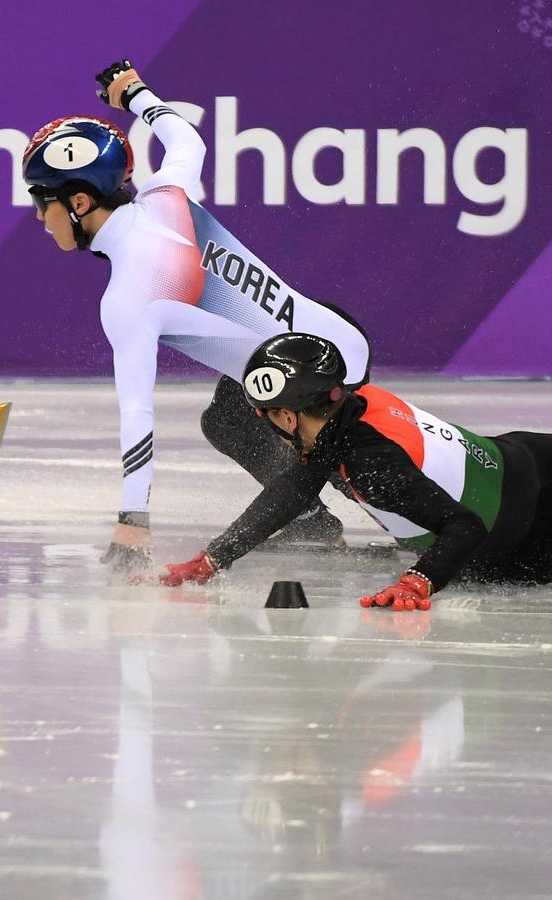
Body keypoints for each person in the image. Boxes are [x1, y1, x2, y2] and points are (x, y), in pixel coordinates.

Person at [23, 60, 371, 571]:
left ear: (79, 201)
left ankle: (395, 501)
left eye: (42, 202)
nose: (37, 216)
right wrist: (135, 93)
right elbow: (187, 141)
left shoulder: (129, 296)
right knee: (229, 417)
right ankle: (311, 519)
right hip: (332, 332)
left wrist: (133, 519)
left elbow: (138, 415)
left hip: (311, 377)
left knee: (315, 442)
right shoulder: (166, 194)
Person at [157, 333, 552, 607]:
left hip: (527, 546)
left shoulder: (369, 462)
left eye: (266, 417)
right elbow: (291, 492)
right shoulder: (345, 414)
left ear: (287, 414)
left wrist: (419, 582)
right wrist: (213, 558)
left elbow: (463, 529)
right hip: (532, 462)